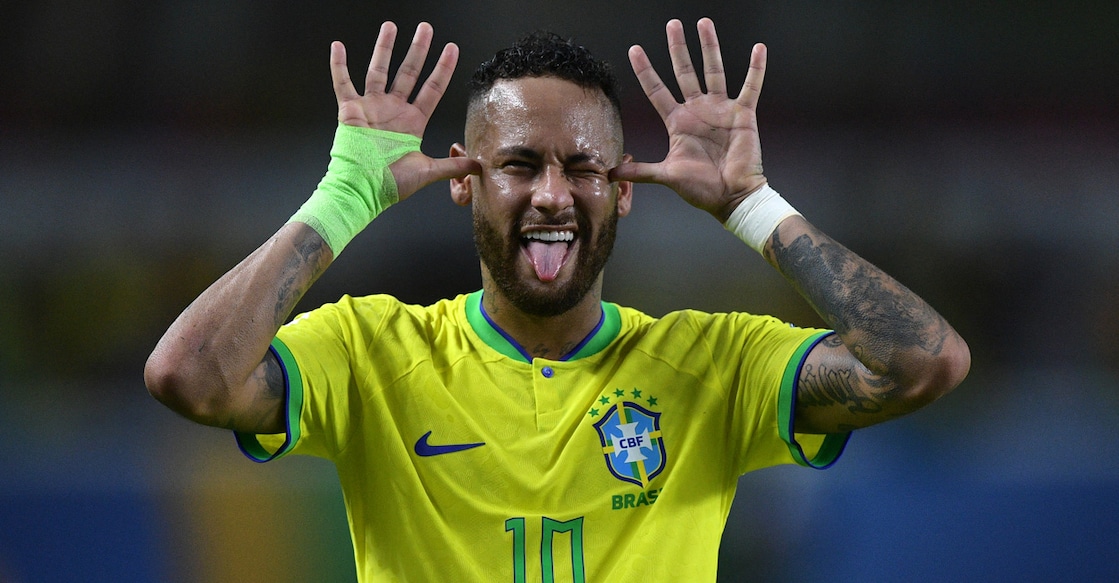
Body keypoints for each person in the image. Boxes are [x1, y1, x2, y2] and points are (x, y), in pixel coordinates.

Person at [145, 17, 970, 581]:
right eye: (518, 165)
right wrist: (338, 202)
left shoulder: (712, 364)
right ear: (465, 182)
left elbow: (922, 362)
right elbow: (190, 375)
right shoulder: (372, 352)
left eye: (582, 168)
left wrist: (753, 208)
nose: (550, 194)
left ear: (623, 191)